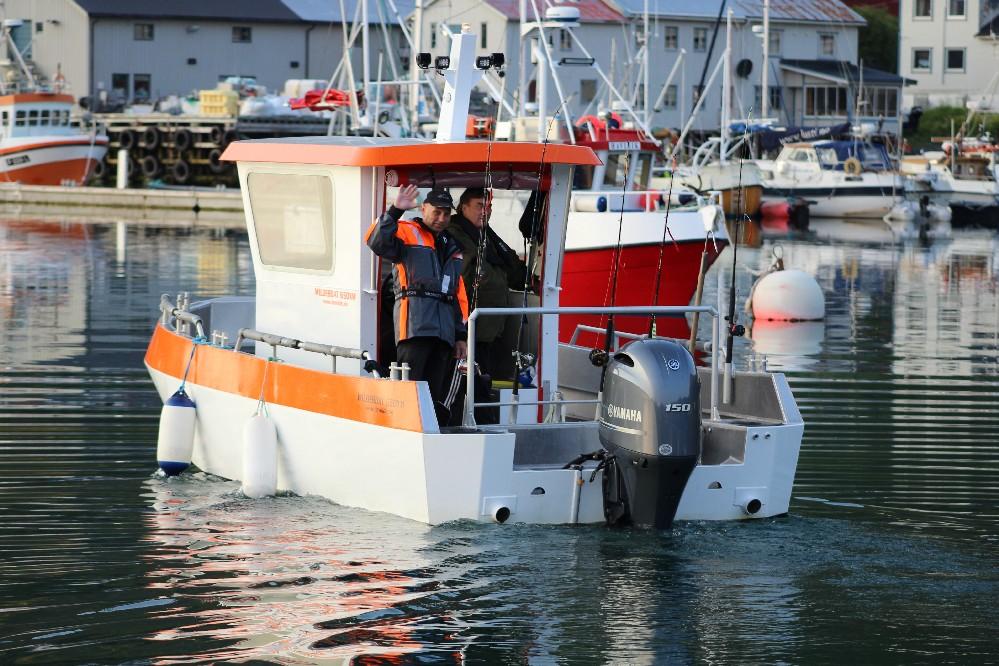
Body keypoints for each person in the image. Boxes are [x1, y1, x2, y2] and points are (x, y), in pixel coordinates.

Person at [366, 184, 468, 416]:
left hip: (444, 335)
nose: (441, 218)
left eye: (446, 213)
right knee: (408, 391)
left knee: (433, 395)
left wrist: (460, 335)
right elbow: (375, 241)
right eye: (436, 212)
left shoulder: (453, 247)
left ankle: (430, 430)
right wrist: (395, 210)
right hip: (414, 329)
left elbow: (456, 295)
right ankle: (403, 428)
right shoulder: (406, 231)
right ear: (424, 209)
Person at [447, 187, 526, 379]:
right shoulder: (455, 233)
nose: (486, 211)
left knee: (485, 379)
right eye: (479, 205)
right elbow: (468, 275)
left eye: (489, 206)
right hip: (470, 328)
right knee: (471, 381)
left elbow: (509, 266)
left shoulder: (486, 234)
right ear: (463, 207)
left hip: (490, 328)